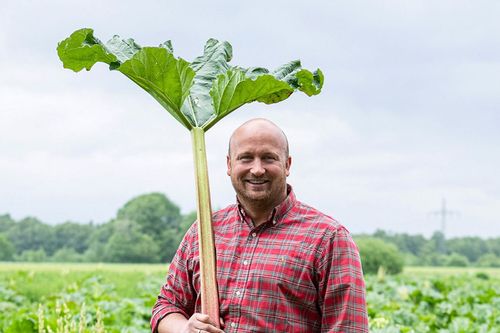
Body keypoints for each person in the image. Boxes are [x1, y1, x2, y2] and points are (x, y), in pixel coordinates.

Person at [151, 118, 369, 333]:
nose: (257, 169)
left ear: (287, 165)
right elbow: (167, 306)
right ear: (229, 165)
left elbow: (349, 328)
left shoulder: (329, 239)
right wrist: (184, 329)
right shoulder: (203, 231)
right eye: (246, 158)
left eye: (268, 158)